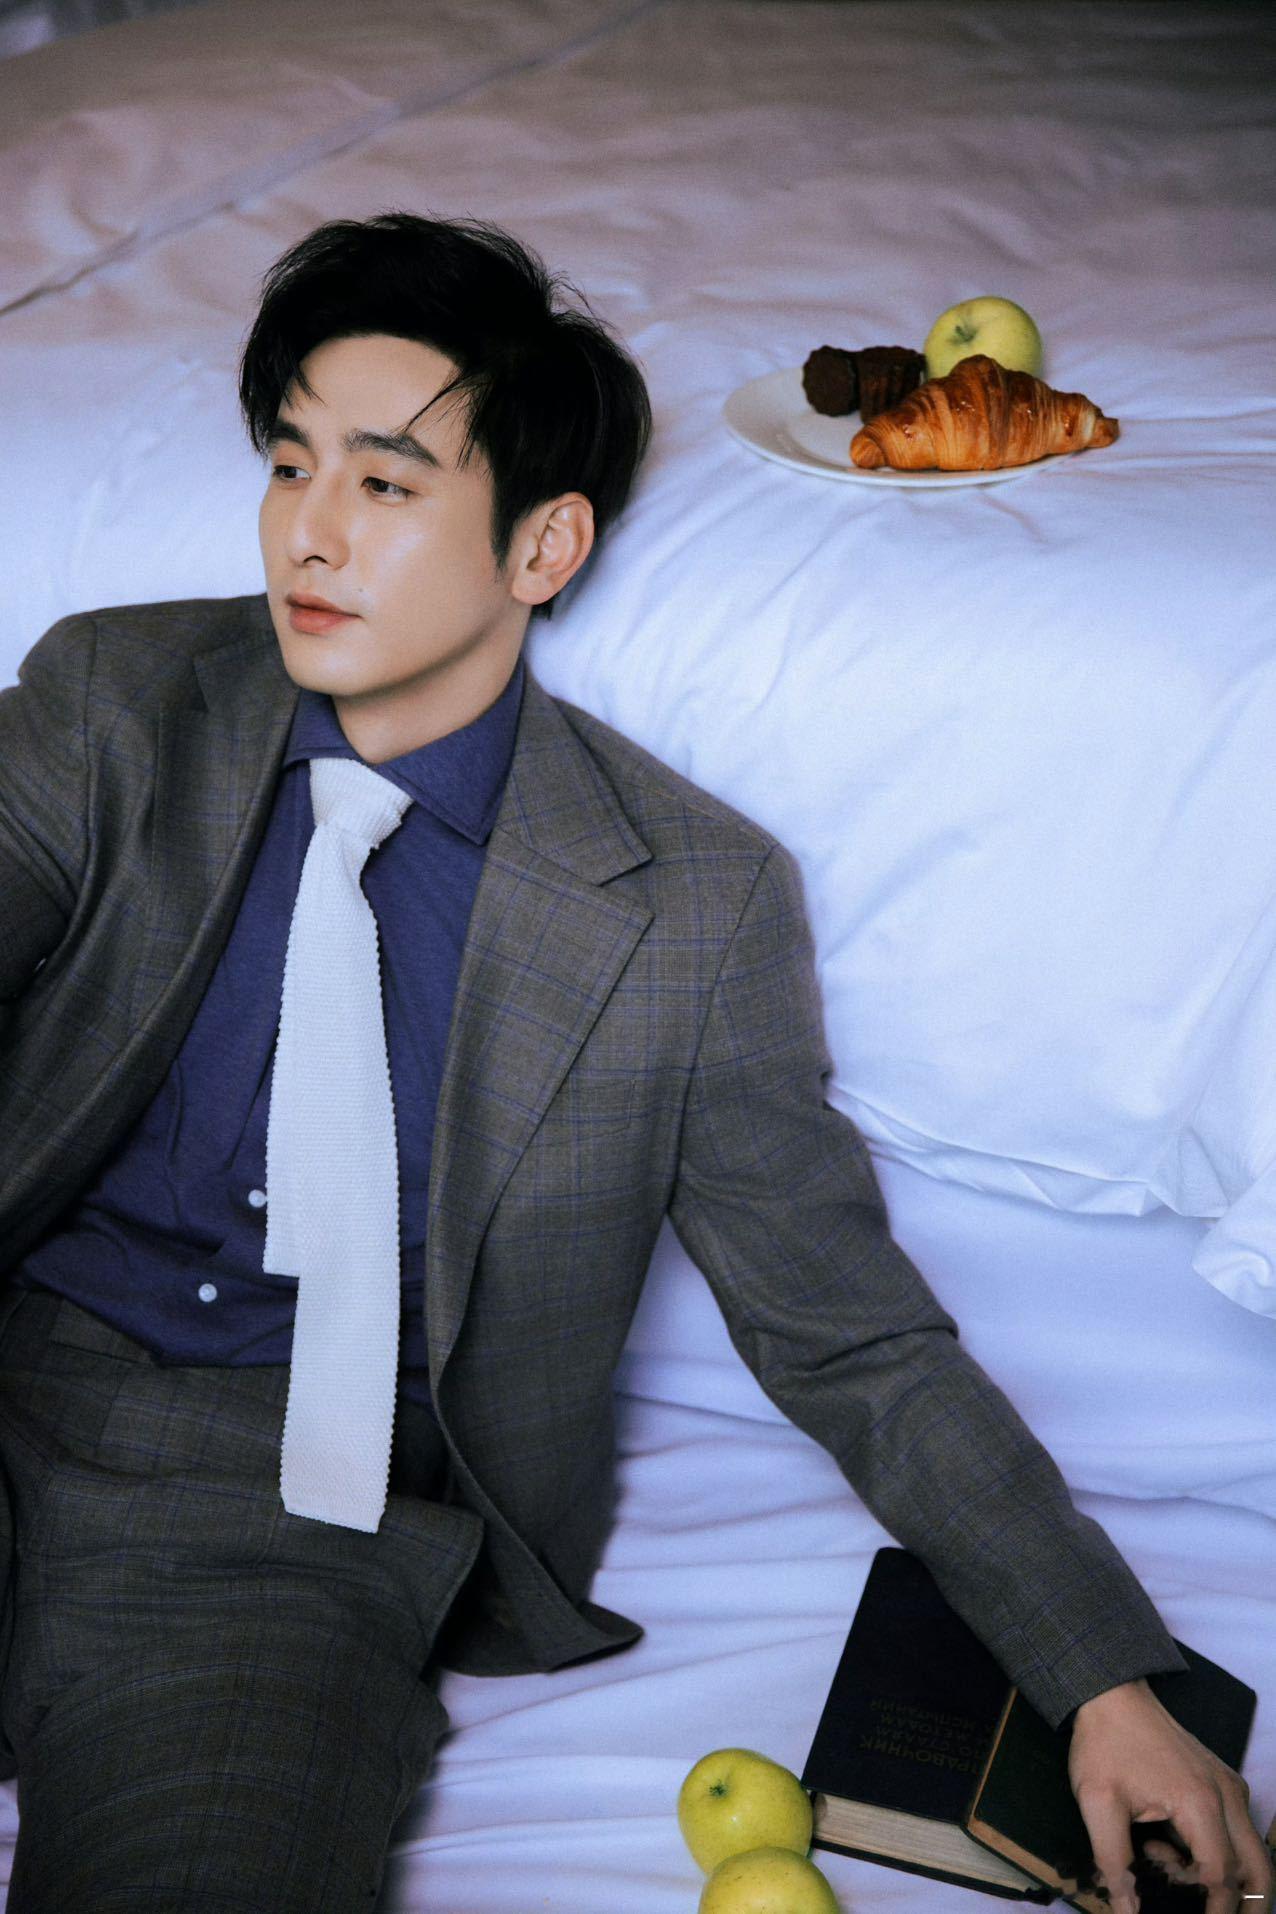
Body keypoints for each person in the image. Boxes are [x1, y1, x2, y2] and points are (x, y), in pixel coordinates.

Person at [0, 210, 1267, 1914]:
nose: (309, 529)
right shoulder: (118, 696)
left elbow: (847, 1330)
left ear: (543, 546)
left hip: (284, 1511)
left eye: (383, 482)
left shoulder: (687, 902)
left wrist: (1103, 1673)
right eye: (289, 463)